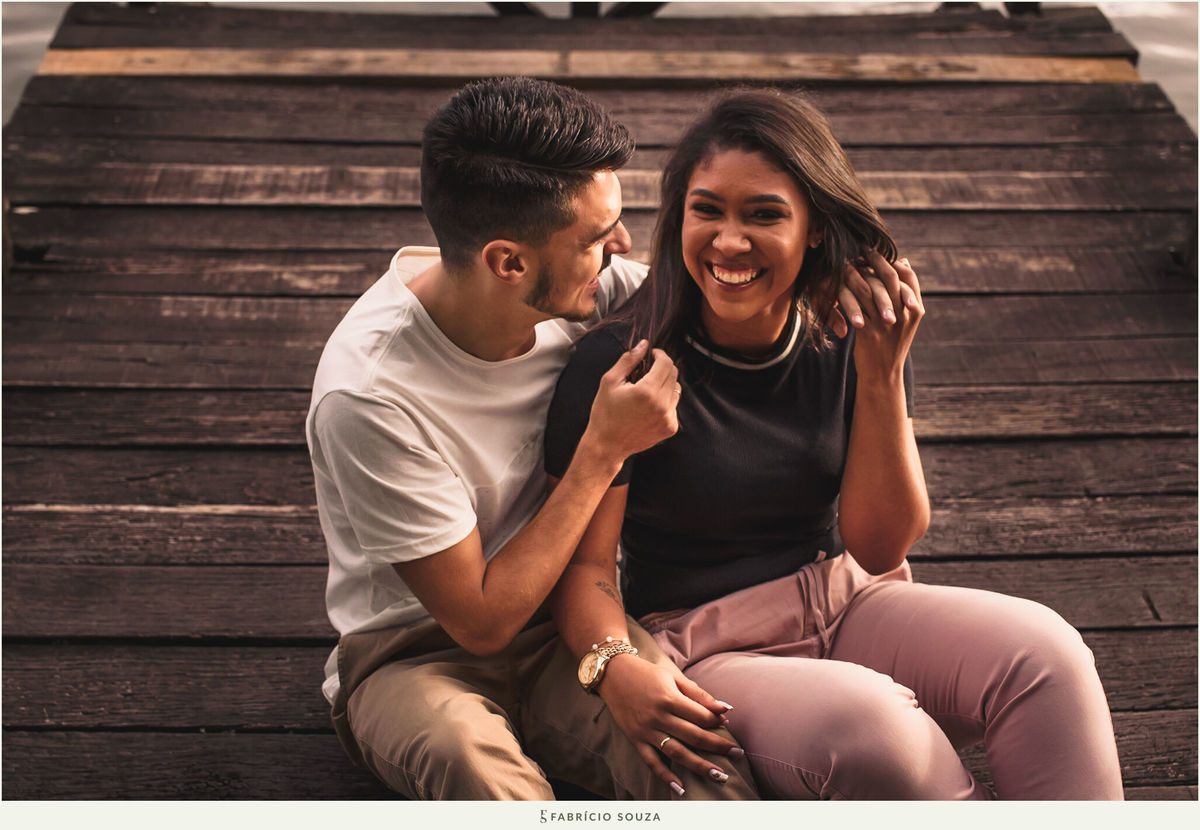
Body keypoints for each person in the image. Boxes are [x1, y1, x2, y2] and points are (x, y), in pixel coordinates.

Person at [543, 88, 1125, 800]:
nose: (729, 241)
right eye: (708, 210)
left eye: (764, 214)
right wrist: (615, 666)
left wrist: (882, 374)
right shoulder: (621, 368)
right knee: (879, 733)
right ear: (678, 216)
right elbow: (586, 569)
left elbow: (882, 549)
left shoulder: (843, 338)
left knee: (1049, 653)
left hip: (847, 603)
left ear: (815, 228)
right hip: (706, 645)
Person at [305, 76, 758, 800]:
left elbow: (725, 293)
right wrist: (603, 450)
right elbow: (480, 622)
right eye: (596, 237)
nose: (623, 246)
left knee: (701, 760)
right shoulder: (370, 395)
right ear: (508, 262)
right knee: (477, 773)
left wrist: (844, 278)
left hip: (567, 623)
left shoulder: (585, 288)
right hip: (414, 654)